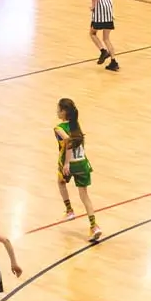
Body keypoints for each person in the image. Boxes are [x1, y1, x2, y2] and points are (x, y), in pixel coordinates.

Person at [52, 97, 101, 244]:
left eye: (58, 109)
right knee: (85, 196)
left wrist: (66, 163)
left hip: (70, 163)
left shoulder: (59, 128)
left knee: (61, 182)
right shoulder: (76, 125)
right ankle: (94, 226)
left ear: (64, 112)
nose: (56, 111)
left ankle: (69, 210)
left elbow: (68, 142)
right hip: (83, 163)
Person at [85, 0, 119, 72]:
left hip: (100, 13)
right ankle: (114, 62)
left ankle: (103, 51)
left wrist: (93, 6)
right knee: (106, 38)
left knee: (92, 33)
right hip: (108, 11)